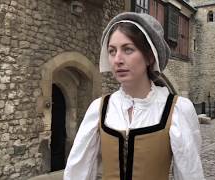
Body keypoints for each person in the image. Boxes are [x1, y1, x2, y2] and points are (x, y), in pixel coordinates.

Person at [64, 12, 204, 180]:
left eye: (128, 49)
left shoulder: (176, 110)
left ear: (150, 56)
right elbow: (77, 172)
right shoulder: (100, 109)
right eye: (112, 51)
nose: (117, 59)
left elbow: (190, 173)